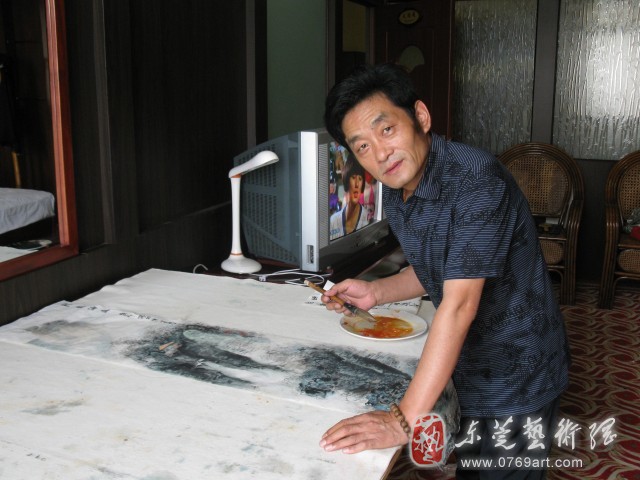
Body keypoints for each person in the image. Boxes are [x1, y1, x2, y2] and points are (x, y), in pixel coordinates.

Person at [318, 63, 570, 479]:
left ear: (420, 116)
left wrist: (403, 419)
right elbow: (438, 267)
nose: (380, 153)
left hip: (518, 372)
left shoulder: (477, 180)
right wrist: (376, 292)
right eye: (361, 146)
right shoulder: (397, 190)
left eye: (386, 130)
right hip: (469, 365)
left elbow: (458, 304)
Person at [329, 157, 370, 240]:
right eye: (353, 177)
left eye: (360, 179)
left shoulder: (367, 218)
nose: (357, 184)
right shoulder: (333, 221)